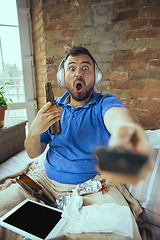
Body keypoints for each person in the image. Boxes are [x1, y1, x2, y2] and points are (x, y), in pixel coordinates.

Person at [0, 46, 154, 240]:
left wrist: (127, 130)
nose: (78, 73)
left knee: (117, 233)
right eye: (72, 68)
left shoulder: (104, 103)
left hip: (92, 189)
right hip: (43, 184)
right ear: (63, 76)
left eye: (85, 68)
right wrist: (33, 131)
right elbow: (32, 153)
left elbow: (118, 117)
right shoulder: (53, 107)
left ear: (95, 76)